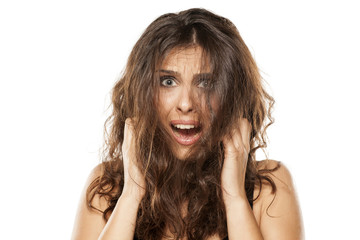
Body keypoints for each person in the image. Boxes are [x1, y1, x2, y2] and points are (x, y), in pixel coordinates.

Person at [71, 8, 303, 240]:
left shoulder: (268, 189)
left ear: (232, 98)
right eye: (168, 81)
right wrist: (131, 194)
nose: (186, 103)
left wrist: (235, 197)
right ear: (143, 94)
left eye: (206, 83)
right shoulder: (107, 187)